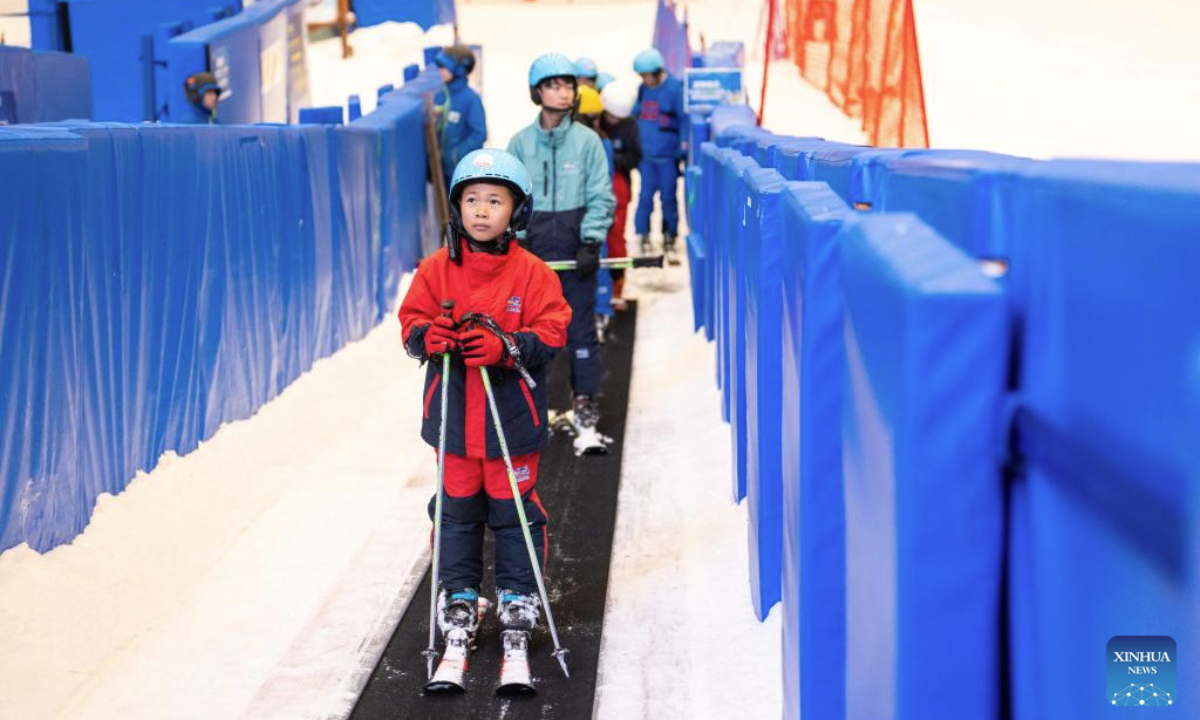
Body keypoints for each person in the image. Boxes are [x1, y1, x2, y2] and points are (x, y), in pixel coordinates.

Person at [398, 148, 571, 656]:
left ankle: (517, 593)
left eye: (494, 201)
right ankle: (459, 593)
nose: (480, 210)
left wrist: (506, 345)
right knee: (454, 512)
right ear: (456, 208)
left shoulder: (533, 273)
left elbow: (553, 327)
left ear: (515, 211)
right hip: (453, 421)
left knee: (514, 511)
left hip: (511, 422)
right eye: (471, 199)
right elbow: (411, 323)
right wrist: (429, 336)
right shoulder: (435, 270)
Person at [507, 53, 615, 453]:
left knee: (581, 330)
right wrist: (517, 238)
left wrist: (590, 240)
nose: (563, 91)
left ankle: (584, 400)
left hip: (574, 249)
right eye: (553, 85)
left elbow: (600, 195)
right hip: (533, 250)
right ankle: (530, 404)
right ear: (537, 92)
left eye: (568, 85)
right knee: (531, 331)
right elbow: (510, 196)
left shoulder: (587, 142)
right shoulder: (520, 143)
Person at [631, 48, 687, 262]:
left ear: (657, 71)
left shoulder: (675, 89)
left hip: (667, 158)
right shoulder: (643, 89)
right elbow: (636, 114)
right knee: (644, 198)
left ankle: (670, 235)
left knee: (668, 200)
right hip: (647, 157)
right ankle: (642, 235)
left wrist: (682, 148)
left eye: (646, 75)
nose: (644, 80)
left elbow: (683, 120)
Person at [575, 85, 618, 341]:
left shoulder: (599, 144)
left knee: (597, 261)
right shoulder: (599, 142)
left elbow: (605, 180)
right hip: (582, 211)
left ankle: (600, 310)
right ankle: (594, 311)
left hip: (590, 210)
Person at [600, 80, 641, 309]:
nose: (614, 122)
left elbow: (635, 157)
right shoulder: (592, 120)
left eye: (618, 119)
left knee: (615, 239)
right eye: (611, 117)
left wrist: (609, 159)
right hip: (595, 184)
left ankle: (617, 286)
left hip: (618, 185)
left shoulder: (630, 126)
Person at [432, 45, 488, 189]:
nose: (440, 72)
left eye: (445, 67)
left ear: (459, 70)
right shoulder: (440, 96)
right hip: (442, 172)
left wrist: (457, 156)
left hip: (463, 173)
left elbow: (479, 134)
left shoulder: (470, 99)